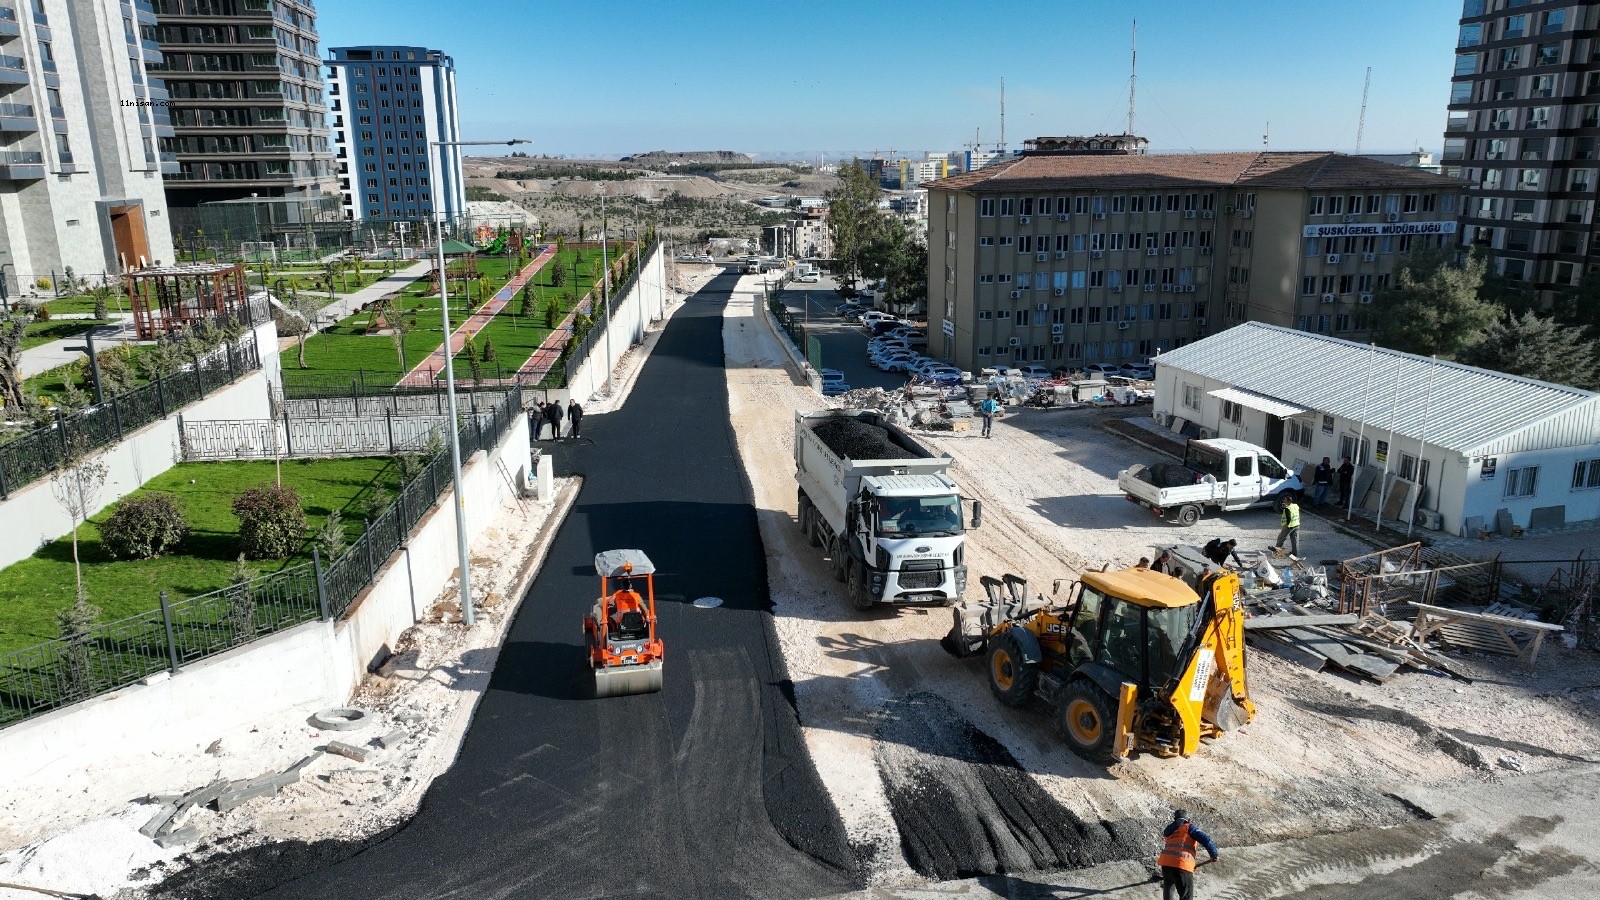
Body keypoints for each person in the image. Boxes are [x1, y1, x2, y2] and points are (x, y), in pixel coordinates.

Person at [1157, 808, 1219, 900]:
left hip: (1166, 864)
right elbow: (1206, 839)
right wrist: (1214, 854)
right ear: (1187, 819)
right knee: (1186, 897)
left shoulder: (1170, 831)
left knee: (1168, 895)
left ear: (1175, 818)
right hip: (1181, 865)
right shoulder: (1189, 827)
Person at [1273, 495, 1301, 559]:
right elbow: (1293, 512)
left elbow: (1288, 518)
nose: (1283, 501)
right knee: (1294, 540)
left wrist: (1287, 526)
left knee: (1281, 538)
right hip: (1296, 524)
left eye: (1285, 500)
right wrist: (1285, 507)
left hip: (1289, 526)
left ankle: (1277, 553)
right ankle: (1295, 553)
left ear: (1288, 502)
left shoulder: (1287, 509)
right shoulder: (1295, 506)